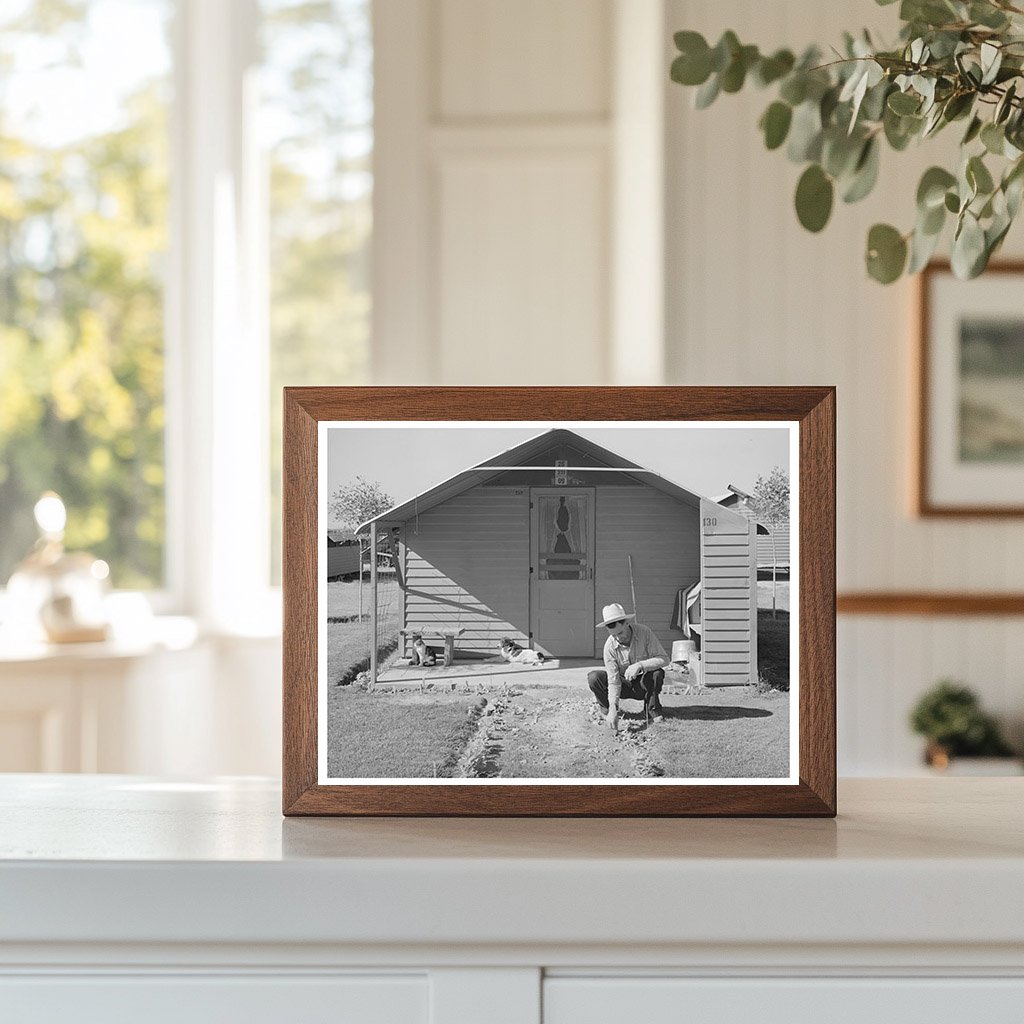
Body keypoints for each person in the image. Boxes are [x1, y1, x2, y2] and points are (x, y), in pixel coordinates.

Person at [589, 603, 668, 732]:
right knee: (594, 677)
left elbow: (664, 659)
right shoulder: (609, 646)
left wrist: (640, 665)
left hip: (643, 684)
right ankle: (608, 710)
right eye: (614, 635)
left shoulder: (644, 632)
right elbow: (613, 681)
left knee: (656, 673)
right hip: (623, 684)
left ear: (626, 623)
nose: (618, 638)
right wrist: (614, 707)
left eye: (620, 633)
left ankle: (652, 711)